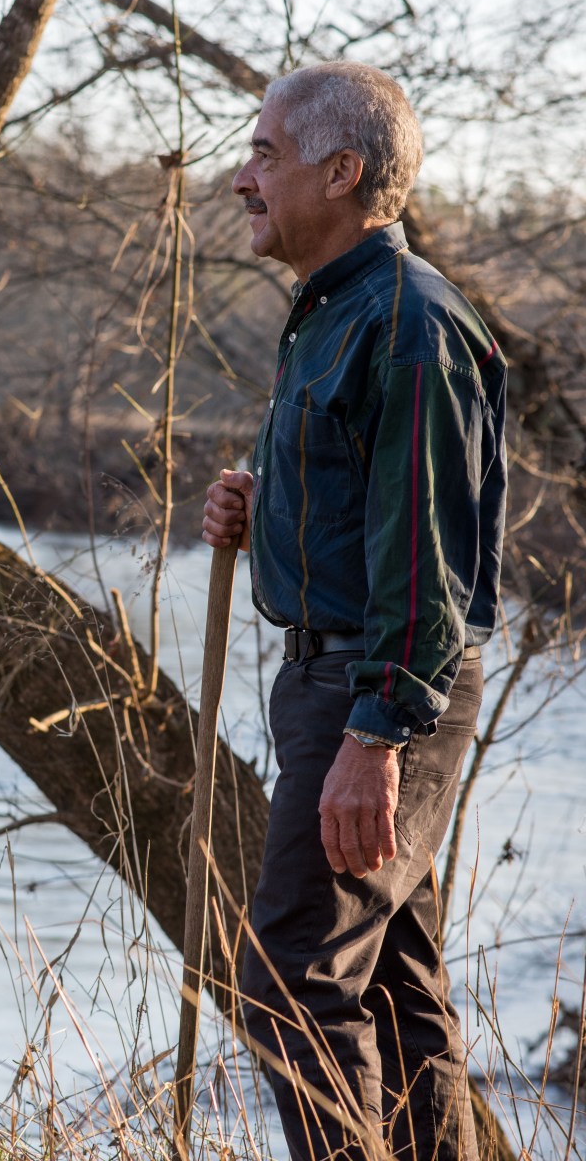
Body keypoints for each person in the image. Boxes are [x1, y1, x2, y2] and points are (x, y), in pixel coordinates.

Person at [201, 62, 506, 1161]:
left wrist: (377, 736)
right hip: (336, 681)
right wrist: (257, 506)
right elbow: (360, 502)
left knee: (292, 971)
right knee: (390, 983)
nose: (242, 177)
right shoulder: (332, 316)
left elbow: (427, 556)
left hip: (378, 693)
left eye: (264, 155)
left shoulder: (412, 325)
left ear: (342, 170)